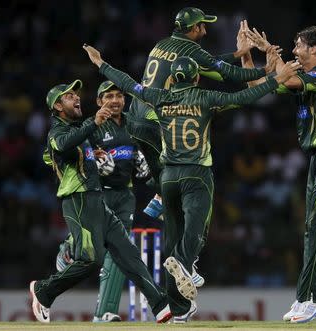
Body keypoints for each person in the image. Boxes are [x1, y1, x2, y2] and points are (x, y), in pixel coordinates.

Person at [83, 44, 301, 323]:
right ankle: (186, 264)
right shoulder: (206, 97)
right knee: (197, 228)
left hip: (168, 178)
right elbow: (246, 96)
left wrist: (101, 63)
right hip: (197, 174)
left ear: (172, 79)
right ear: (197, 78)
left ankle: (179, 308)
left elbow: (129, 84)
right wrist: (276, 79)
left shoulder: (159, 97)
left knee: (172, 236)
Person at [29, 80, 171, 324]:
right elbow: (60, 147)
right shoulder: (59, 130)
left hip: (97, 197)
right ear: (58, 106)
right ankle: (43, 291)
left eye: (76, 94)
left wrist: (92, 155)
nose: (76, 98)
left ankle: (160, 305)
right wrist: (92, 125)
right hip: (78, 198)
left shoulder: (77, 128)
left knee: (127, 252)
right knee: (91, 259)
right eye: (69, 96)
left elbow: (76, 150)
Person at [243, 25, 316, 323]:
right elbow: (256, 86)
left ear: (314, 50)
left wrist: (270, 51)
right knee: (310, 228)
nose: (294, 50)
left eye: (298, 45)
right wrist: (247, 56)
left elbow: (288, 78)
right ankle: (304, 297)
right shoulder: (303, 78)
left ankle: (314, 297)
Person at [127, 7, 276, 221]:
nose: (205, 31)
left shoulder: (163, 44)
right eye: (203, 25)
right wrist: (266, 70)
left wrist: (239, 53)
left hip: (135, 118)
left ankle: (156, 198)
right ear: (194, 28)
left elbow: (208, 63)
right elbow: (230, 73)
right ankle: (166, 205)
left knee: (165, 176)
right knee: (185, 167)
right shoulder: (190, 49)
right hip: (157, 120)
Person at [53, 81, 153, 322]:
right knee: (97, 250)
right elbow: (58, 154)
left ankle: (104, 313)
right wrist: (95, 167)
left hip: (125, 195)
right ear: (99, 102)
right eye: (108, 96)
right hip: (98, 193)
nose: (115, 100)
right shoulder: (92, 124)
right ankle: (68, 246)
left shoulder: (133, 124)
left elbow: (142, 156)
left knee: (119, 253)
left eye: (119, 95)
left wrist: (144, 165)